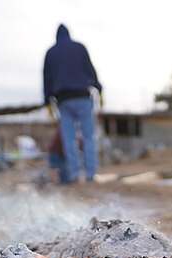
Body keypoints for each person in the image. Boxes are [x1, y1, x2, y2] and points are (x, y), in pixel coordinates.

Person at [43, 24, 102, 183]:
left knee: (69, 139)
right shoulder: (80, 48)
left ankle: (75, 174)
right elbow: (90, 69)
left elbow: (47, 78)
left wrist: (47, 100)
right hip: (83, 96)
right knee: (89, 137)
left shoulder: (51, 52)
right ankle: (91, 174)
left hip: (63, 100)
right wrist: (99, 88)